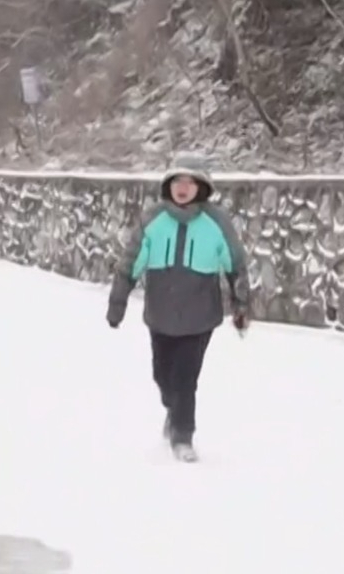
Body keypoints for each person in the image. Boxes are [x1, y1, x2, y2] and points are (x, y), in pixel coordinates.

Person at [106, 155, 249, 461]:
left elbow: (236, 265)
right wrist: (117, 303)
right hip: (160, 315)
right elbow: (130, 263)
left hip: (200, 317)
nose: (183, 188)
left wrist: (241, 305)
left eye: (190, 182)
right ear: (168, 186)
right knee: (162, 375)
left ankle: (182, 436)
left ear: (201, 188)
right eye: (177, 182)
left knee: (186, 378)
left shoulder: (216, 222)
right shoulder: (153, 220)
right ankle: (173, 410)